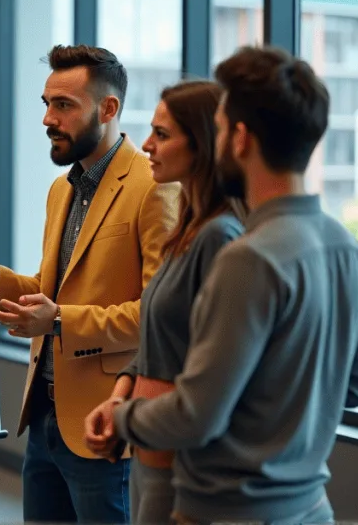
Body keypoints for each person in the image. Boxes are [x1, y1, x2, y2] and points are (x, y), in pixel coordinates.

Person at [110, 46, 358, 525]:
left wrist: (119, 417)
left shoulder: (248, 258)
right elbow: (354, 386)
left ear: (240, 139)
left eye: (221, 126)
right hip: (311, 508)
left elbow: (196, 416)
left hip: (229, 511)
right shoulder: (345, 246)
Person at [0, 44, 179, 523]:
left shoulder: (154, 187)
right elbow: (53, 291)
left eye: (64, 106)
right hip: (45, 417)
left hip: (105, 424)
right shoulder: (62, 189)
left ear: (108, 108)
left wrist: (58, 320)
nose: (47, 119)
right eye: (46, 104)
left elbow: (158, 317)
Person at [83, 80, 244, 524]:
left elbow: (207, 362)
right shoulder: (186, 230)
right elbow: (162, 338)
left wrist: (128, 416)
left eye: (163, 134)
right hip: (147, 448)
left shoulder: (220, 237)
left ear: (205, 144)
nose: (148, 145)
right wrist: (119, 398)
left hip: (181, 461)